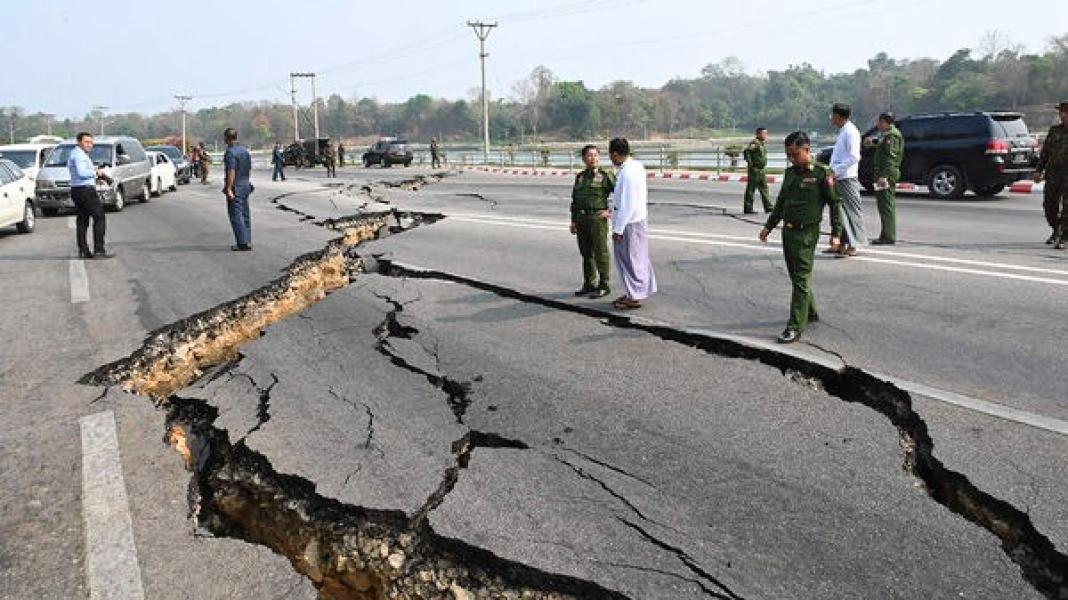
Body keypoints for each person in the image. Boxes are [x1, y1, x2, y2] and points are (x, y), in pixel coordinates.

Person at [760, 131, 842, 344]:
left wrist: (836, 234)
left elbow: (835, 204)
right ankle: (810, 311)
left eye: (795, 154)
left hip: (806, 233)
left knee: (801, 277)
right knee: (796, 276)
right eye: (788, 155)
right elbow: (781, 203)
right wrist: (769, 226)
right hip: (788, 231)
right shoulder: (790, 173)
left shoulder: (822, 173)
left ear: (807, 150)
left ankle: (795, 325)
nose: (791, 159)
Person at [608, 137, 656, 309]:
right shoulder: (636, 166)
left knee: (629, 261)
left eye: (610, 155)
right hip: (637, 220)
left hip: (629, 223)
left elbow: (627, 204)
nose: (610, 159)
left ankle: (634, 296)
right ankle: (634, 291)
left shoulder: (627, 173)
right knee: (638, 258)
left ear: (615, 154)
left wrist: (618, 229)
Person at [570, 145, 616, 299]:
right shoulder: (580, 177)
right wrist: (573, 221)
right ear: (583, 158)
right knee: (586, 253)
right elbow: (575, 201)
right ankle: (589, 283)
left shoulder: (605, 176)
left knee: (600, 252)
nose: (593, 158)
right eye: (589, 155)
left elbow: (620, 194)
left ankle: (604, 284)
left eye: (595, 155)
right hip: (582, 219)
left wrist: (611, 211)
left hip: (597, 219)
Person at [67, 132, 113, 259]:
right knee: (99, 218)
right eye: (86, 142)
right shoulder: (79, 155)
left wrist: (95, 178)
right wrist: (96, 173)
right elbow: (82, 173)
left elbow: (80, 174)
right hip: (85, 191)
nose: (89, 145)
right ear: (78, 142)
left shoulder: (76, 154)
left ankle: (83, 250)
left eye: (91, 142)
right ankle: (99, 250)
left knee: (82, 220)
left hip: (78, 189)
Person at [828, 103, 864, 257]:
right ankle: (842, 243)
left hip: (846, 177)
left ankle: (854, 245)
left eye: (833, 116)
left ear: (839, 116)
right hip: (839, 177)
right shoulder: (843, 131)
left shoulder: (851, 132)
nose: (831, 119)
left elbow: (854, 157)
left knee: (851, 212)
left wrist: (836, 170)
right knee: (839, 212)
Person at [1036, 100, 1068, 250]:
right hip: (1053, 172)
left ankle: (1065, 236)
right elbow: (1045, 153)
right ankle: (1056, 229)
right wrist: (1038, 170)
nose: (1063, 115)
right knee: (1049, 205)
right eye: (1062, 112)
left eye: (1066, 112)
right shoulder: (1055, 131)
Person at [869, 112, 904, 244]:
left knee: (886, 204)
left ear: (885, 122)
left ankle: (888, 236)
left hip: (886, 174)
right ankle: (885, 234)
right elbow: (881, 145)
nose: (878, 124)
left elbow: (890, 157)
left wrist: (883, 176)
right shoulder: (886, 134)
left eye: (880, 122)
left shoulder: (892, 135)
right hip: (882, 173)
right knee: (882, 203)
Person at [222, 128, 254, 251]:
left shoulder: (230, 152)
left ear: (226, 138)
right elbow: (249, 169)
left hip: (236, 185)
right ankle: (247, 240)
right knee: (245, 214)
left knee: (236, 215)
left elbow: (231, 171)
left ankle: (242, 242)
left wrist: (229, 188)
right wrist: (246, 182)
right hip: (245, 184)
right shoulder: (244, 151)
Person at [743, 127, 772, 213]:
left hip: (761, 170)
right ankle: (748, 208)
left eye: (766, 133)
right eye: (763, 133)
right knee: (751, 189)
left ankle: (768, 207)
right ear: (758, 134)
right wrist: (751, 163)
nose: (765, 135)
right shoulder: (755, 143)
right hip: (755, 170)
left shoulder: (761, 144)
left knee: (764, 188)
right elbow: (746, 151)